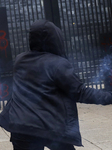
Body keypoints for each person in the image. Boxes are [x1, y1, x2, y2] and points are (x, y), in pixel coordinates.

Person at [0, 19, 112, 150]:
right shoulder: (58, 64)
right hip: (49, 127)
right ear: (55, 39)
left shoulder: (20, 60)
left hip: (21, 126)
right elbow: (80, 92)